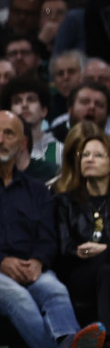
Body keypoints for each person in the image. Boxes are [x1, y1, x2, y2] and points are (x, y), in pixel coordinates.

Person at [0, 111, 106, 348]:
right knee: (18, 297)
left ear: (22, 143)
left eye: (8, 133)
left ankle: (70, 347)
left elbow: (48, 237)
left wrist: (38, 261)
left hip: (30, 266)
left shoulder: (36, 189)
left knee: (55, 290)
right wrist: (1, 262)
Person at [54, 131, 110, 324]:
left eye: (98, 155)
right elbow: (61, 246)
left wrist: (105, 249)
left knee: (106, 270)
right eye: (85, 155)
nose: (89, 160)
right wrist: (77, 251)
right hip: (78, 271)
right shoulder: (65, 201)